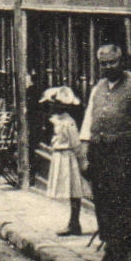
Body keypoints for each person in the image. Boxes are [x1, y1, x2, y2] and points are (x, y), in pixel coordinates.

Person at [78, 44, 131, 261]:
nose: (108, 67)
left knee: (128, 206)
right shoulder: (98, 88)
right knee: (104, 205)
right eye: (103, 63)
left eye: (112, 62)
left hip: (127, 152)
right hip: (101, 153)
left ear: (122, 61)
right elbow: (87, 123)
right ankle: (111, 255)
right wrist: (84, 154)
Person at [40, 86, 90, 237]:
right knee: (68, 190)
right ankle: (73, 222)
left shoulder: (69, 122)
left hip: (69, 157)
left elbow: (75, 143)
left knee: (74, 189)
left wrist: (82, 160)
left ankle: (74, 223)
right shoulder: (56, 120)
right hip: (59, 156)